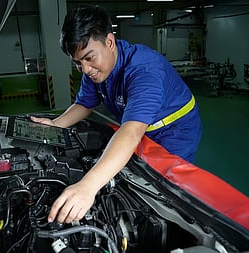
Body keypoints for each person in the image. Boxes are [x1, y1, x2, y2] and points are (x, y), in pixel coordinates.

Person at [30, 5, 202, 225]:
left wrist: (88, 186)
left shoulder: (144, 71)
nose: (85, 69)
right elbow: (84, 103)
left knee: (167, 190)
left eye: (89, 58)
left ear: (109, 42)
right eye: (78, 63)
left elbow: (130, 132)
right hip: (140, 127)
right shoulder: (96, 69)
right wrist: (55, 125)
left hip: (175, 130)